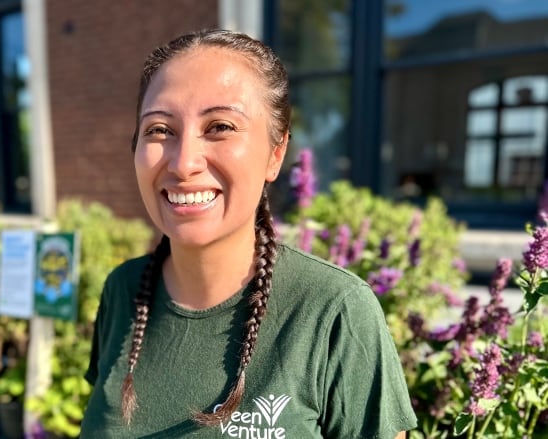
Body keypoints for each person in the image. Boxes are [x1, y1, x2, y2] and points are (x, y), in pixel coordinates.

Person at [80, 29, 417, 438]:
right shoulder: (122, 291)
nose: (184, 162)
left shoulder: (334, 311)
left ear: (276, 154)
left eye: (220, 126)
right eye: (160, 130)